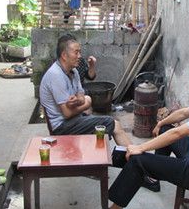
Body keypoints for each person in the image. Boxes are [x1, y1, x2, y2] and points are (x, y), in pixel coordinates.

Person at [83, 51, 189, 209]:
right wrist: (162, 123)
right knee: (165, 130)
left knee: (138, 160)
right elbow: (184, 112)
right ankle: (152, 177)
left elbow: (178, 133)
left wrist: (141, 147)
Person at [39, 35, 161, 192]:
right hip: (62, 127)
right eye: (76, 52)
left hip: (75, 119)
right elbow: (68, 113)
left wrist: (82, 101)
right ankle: (139, 169)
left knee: (114, 124)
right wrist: (86, 102)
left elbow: (81, 96)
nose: (80, 56)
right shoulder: (55, 75)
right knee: (110, 123)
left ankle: (138, 166)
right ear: (64, 55)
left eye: (80, 52)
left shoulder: (73, 72)